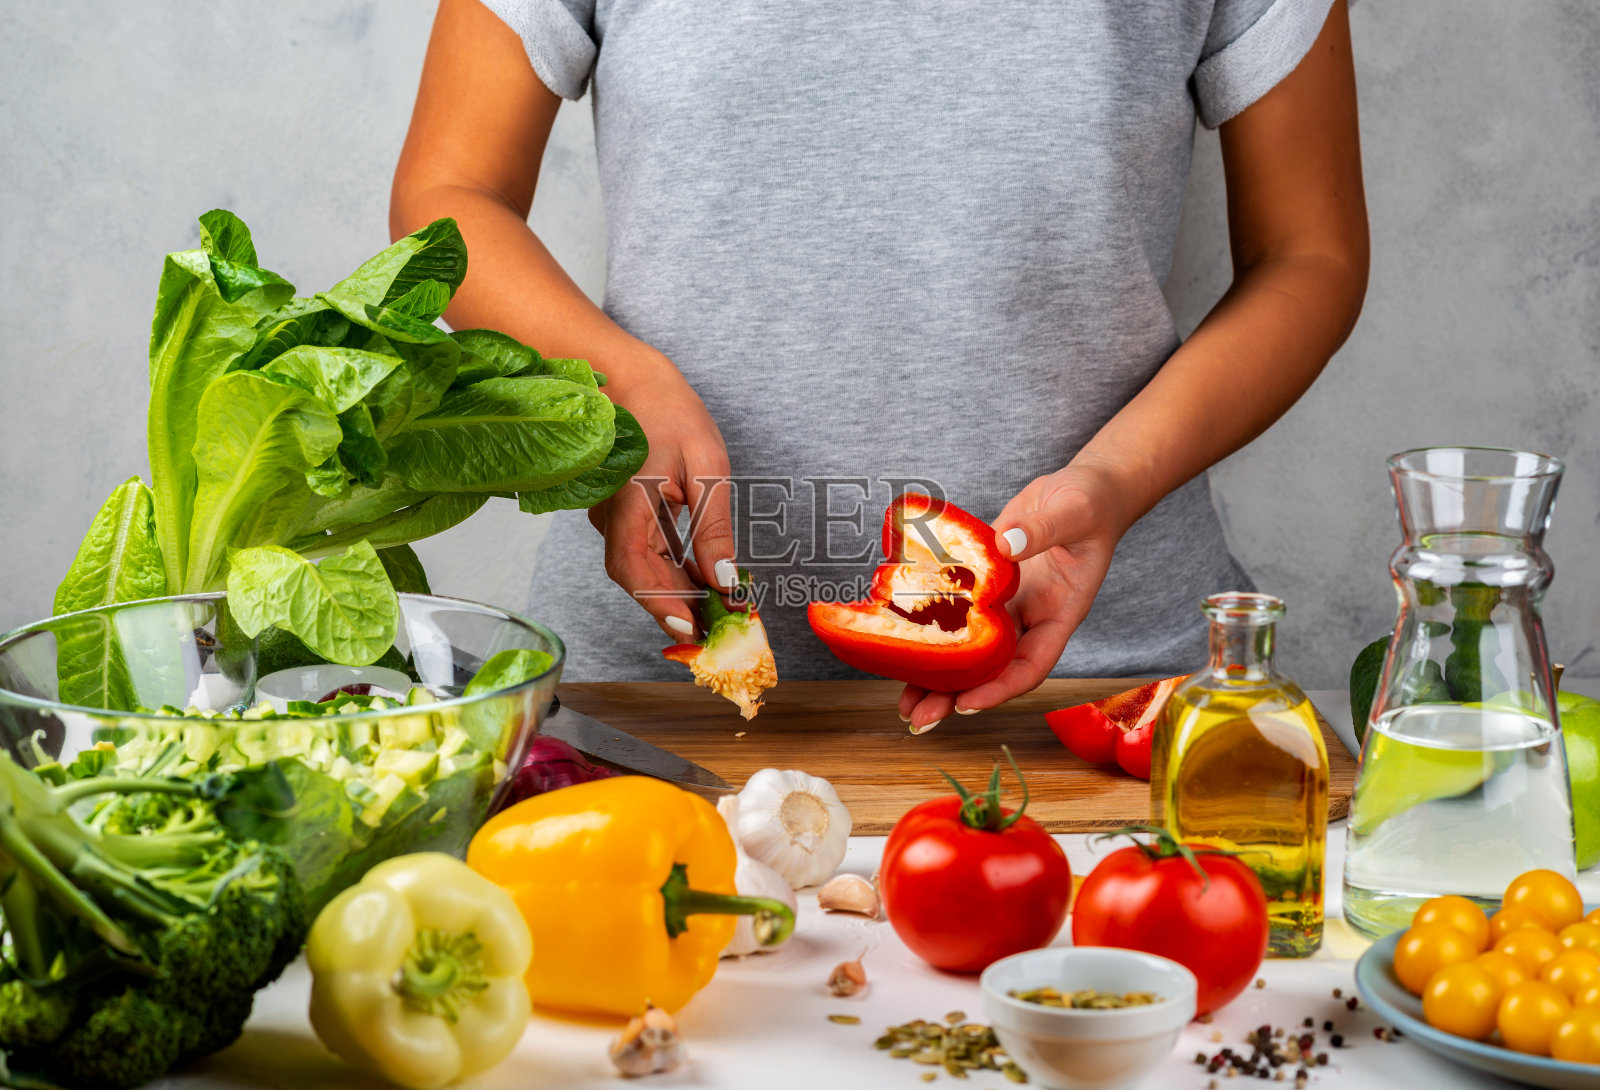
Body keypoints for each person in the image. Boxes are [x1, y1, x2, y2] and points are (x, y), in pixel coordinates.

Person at [391, 0, 1368, 731]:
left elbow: (1309, 255)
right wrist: (618, 384)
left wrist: (1116, 480)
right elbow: (450, 194)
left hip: (1099, 690)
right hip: (657, 692)